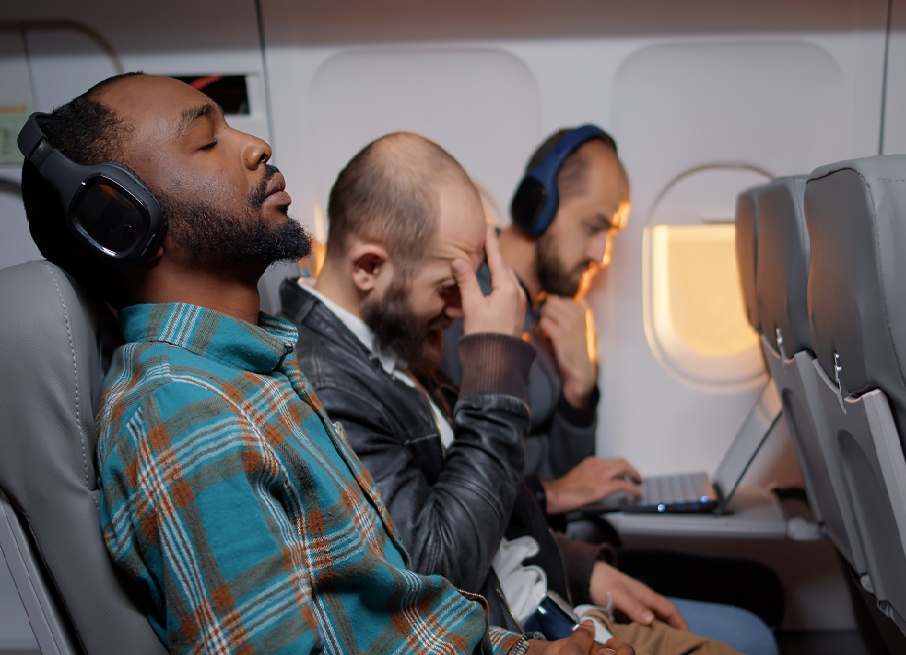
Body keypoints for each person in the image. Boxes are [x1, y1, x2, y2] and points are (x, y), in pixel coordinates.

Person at [20, 72, 633, 655]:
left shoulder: (259, 371)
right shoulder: (184, 413)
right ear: (121, 219)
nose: (257, 146)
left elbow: (399, 617)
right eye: (207, 140)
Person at [281, 131, 776, 655]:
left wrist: (582, 568)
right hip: (518, 629)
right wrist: (495, 361)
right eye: (446, 287)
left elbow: (493, 510)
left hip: (547, 597)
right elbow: (439, 570)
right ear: (368, 268)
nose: (456, 311)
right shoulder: (328, 384)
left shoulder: (390, 341)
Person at [439, 126, 786, 631]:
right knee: (753, 607)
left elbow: (570, 470)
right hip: (520, 554)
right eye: (594, 226)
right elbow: (460, 477)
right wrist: (551, 493)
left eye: (612, 235)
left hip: (562, 536)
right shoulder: (466, 309)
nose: (601, 253)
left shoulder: (556, 315)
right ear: (539, 204)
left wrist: (582, 388)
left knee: (764, 589)